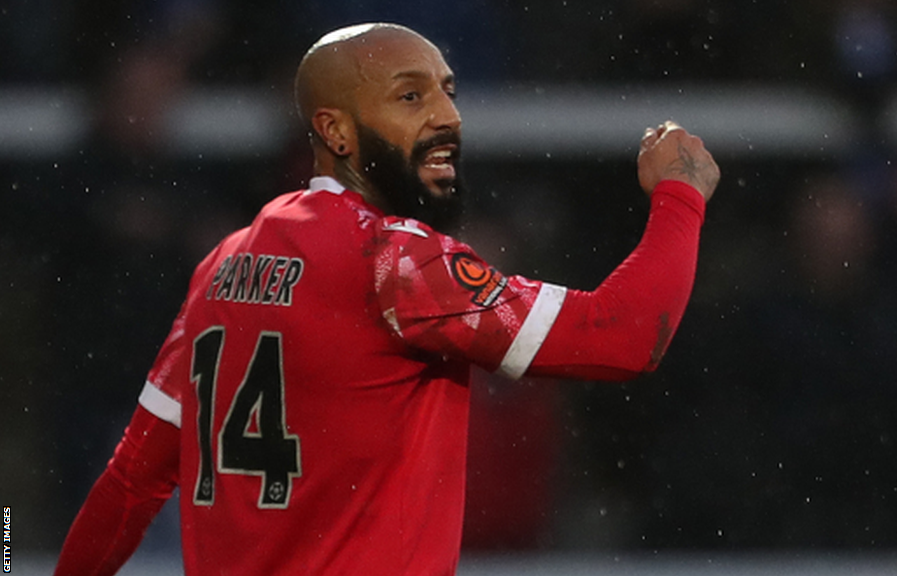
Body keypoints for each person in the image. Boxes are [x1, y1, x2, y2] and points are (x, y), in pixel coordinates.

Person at [53, 22, 719, 576]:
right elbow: (625, 335)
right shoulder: (397, 263)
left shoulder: (223, 265)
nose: (447, 115)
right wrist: (680, 197)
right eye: (409, 96)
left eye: (447, 91)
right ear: (336, 132)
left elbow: (130, 484)